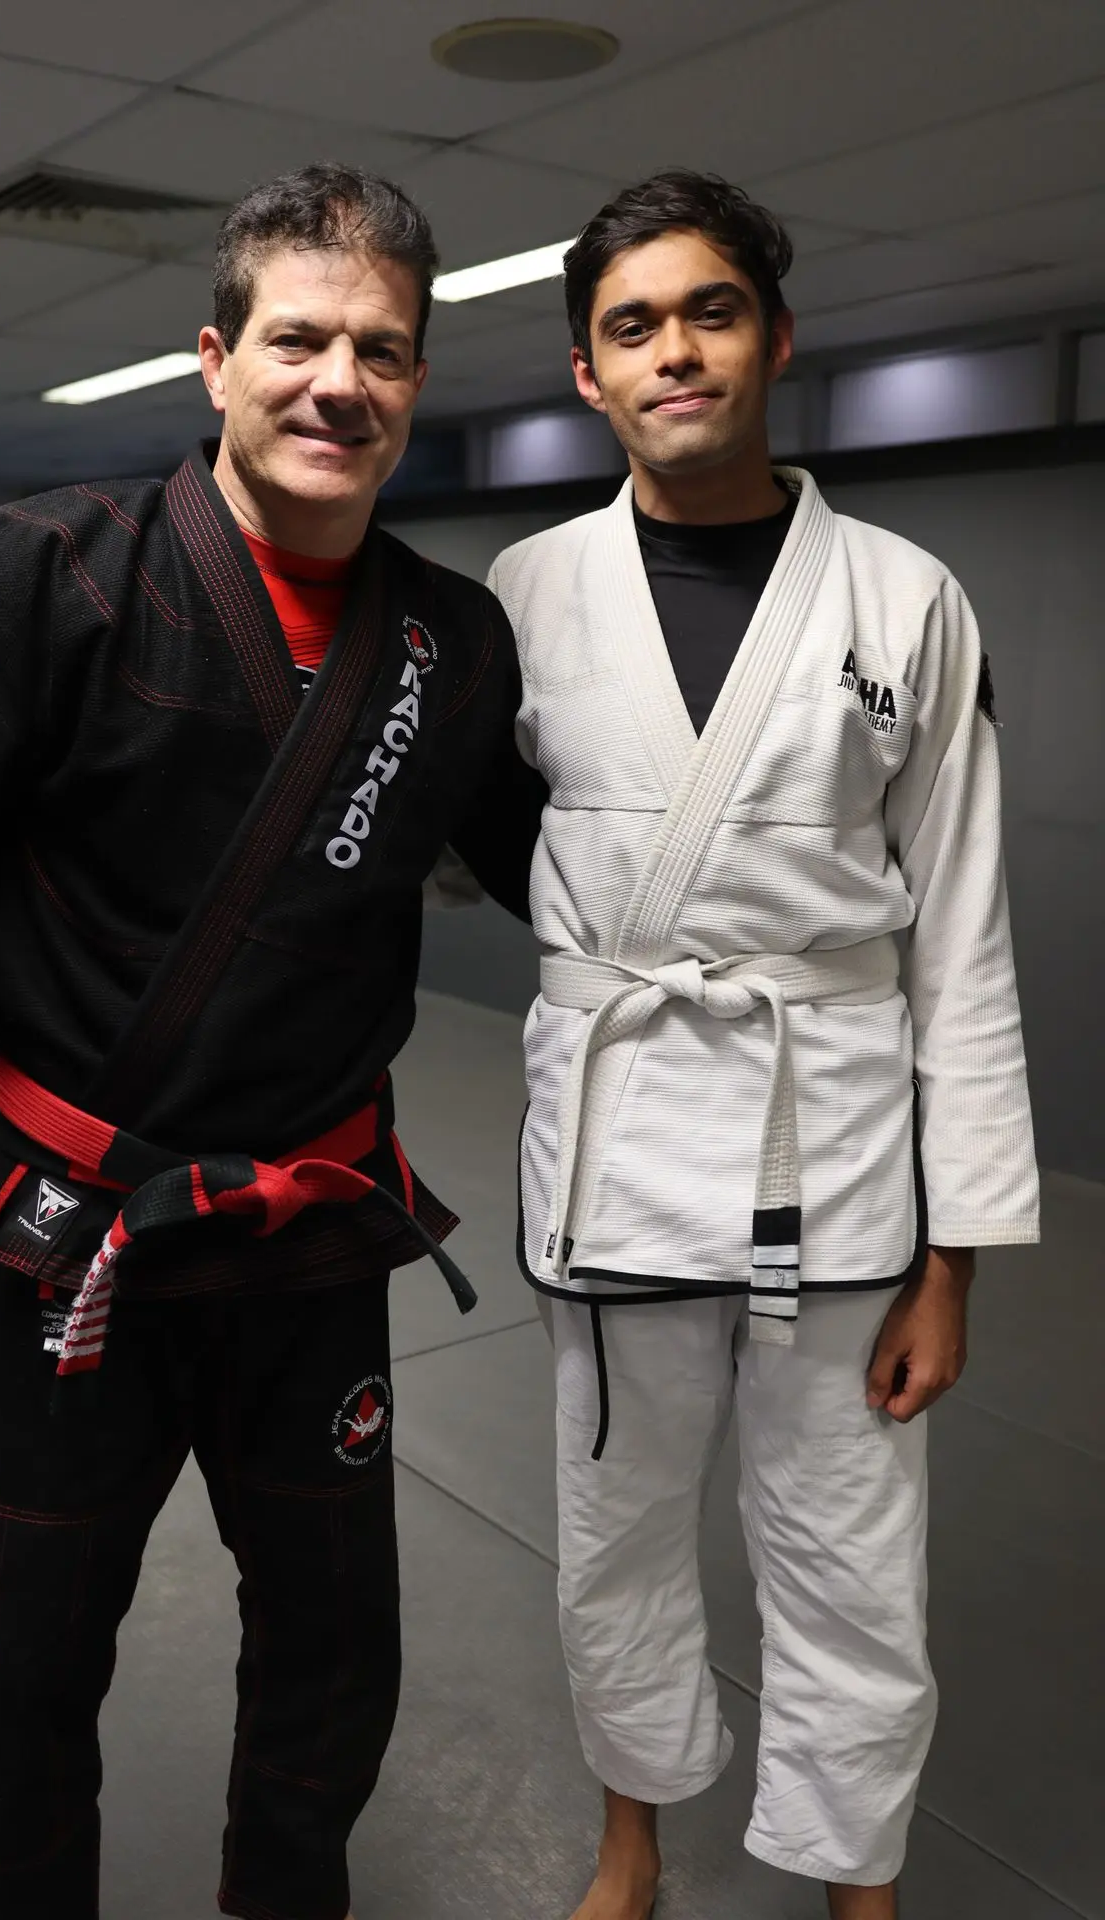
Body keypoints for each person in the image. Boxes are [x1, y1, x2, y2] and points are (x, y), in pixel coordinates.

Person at [0, 163, 543, 1920]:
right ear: (216, 358)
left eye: (381, 350)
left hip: (311, 1241)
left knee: (335, 1660)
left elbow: (576, 885)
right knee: (19, 1670)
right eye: (298, 339)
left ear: (416, 382)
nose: (337, 383)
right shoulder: (58, 575)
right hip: (71, 1232)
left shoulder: (451, 641)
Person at [489, 170, 1039, 1920]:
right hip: (621, 1150)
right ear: (587, 373)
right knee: (618, 1535)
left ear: (776, 339)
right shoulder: (525, 589)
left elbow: (958, 930)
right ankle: (632, 1838)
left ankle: (852, 1872)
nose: (675, 351)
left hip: (846, 1157)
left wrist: (957, 1261)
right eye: (631, 325)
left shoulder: (906, 596)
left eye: (709, 311)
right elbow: (512, 852)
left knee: (851, 1554)